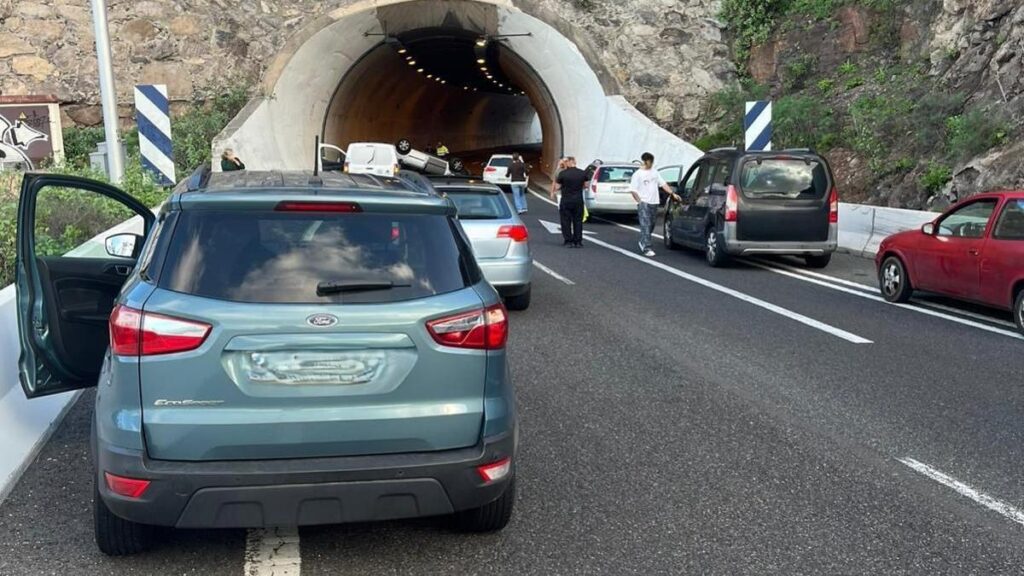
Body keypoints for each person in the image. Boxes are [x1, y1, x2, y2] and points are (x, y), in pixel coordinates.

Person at [629, 152, 678, 257]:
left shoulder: (655, 172)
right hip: (644, 202)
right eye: (650, 162)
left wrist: (672, 193)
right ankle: (646, 247)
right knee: (645, 225)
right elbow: (633, 190)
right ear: (645, 161)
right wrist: (639, 201)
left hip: (654, 202)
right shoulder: (637, 174)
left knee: (651, 224)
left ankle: (643, 240)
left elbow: (663, 184)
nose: (651, 164)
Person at [552, 156, 588, 248]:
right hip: (578, 200)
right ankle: (578, 241)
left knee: (565, 221)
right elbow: (586, 185)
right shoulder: (582, 173)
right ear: (575, 162)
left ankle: (568, 241)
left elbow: (557, 187)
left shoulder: (563, 174)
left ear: (568, 162)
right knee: (578, 221)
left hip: (566, 200)